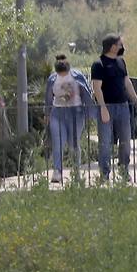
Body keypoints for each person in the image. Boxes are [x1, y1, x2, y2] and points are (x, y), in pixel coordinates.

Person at [91, 34, 137, 182]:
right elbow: (97, 88)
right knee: (105, 142)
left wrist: (136, 102)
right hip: (107, 107)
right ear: (112, 46)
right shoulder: (99, 64)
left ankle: (124, 170)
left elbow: (127, 83)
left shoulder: (121, 62)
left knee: (125, 142)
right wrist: (102, 107)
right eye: (120, 44)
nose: (122, 47)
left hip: (123, 107)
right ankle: (104, 174)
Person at [45, 54, 93, 183]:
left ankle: (76, 172)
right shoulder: (52, 79)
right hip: (57, 113)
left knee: (74, 143)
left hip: (75, 113)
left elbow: (87, 93)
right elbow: (48, 97)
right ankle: (57, 172)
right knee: (58, 142)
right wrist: (47, 114)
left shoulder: (77, 76)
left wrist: (89, 112)